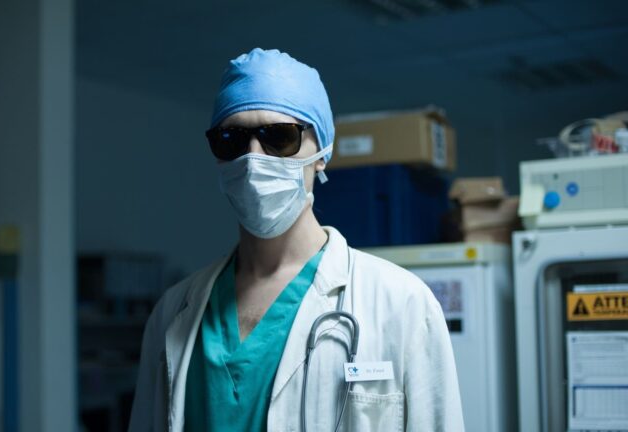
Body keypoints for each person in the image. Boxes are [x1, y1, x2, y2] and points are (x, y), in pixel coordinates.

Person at [128, 48, 464, 432]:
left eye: (279, 137)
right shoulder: (172, 312)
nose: (253, 159)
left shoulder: (402, 304)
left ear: (321, 153)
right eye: (231, 139)